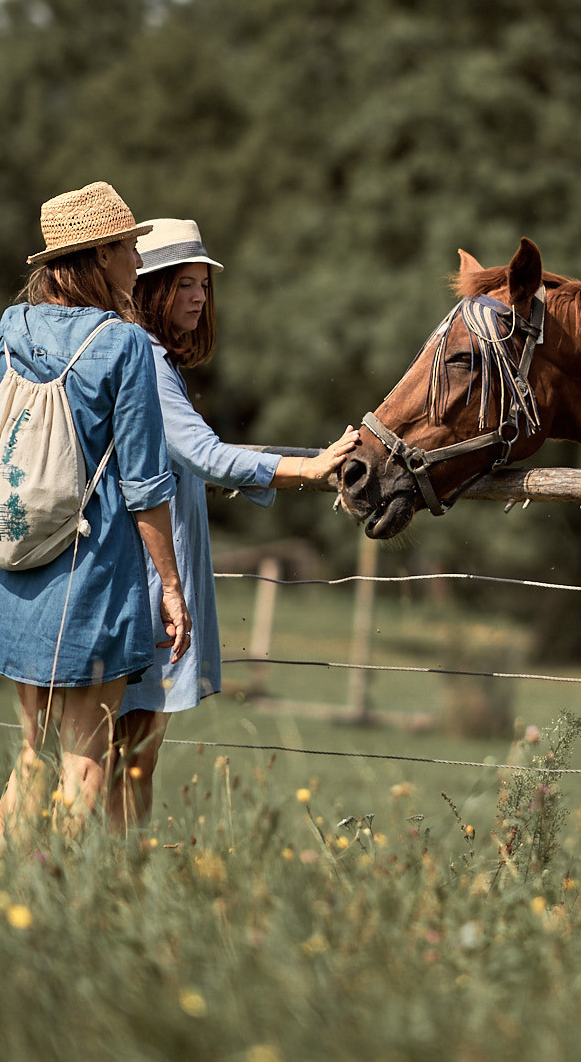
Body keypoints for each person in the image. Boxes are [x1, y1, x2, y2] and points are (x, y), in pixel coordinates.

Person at [0, 182, 189, 851]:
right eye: (130, 248)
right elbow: (145, 483)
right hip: (90, 576)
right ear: (100, 255)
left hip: (12, 570)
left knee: (30, 756)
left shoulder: (5, 332)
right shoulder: (125, 347)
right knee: (87, 759)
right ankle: (49, 907)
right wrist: (171, 587)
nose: (140, 262)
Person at [109, 218, 358, 825]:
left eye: (203, 284)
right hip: (144, 582)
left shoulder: (147, 358)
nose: (199, 297)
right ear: (150, 289)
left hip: (141, 574)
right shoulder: (143, 358)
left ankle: (109, 874)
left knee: (127, 752)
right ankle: (117, 877)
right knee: (131, 754)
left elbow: (196, 458)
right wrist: (314, 466)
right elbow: (207, 455)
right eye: (184, 283)